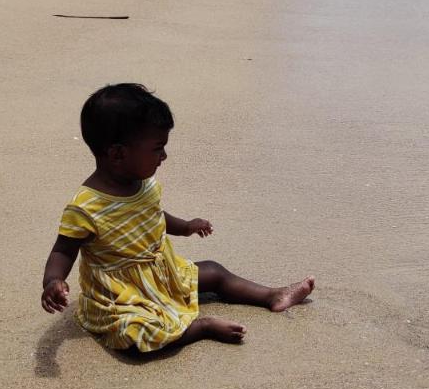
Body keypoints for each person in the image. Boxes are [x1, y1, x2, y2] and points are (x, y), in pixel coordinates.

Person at [40, 83, 314, 351]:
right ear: (118, 153)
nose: (164, 156)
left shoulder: (143, 183)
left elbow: (152, 215)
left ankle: (272, 295)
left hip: (162, 274)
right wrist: (54, 281)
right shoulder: (86, 206)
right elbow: (63, 250)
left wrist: (185, 227)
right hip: (120, 295)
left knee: (214, 272)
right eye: (158, 148)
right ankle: (201, 328)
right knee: (133, 333)